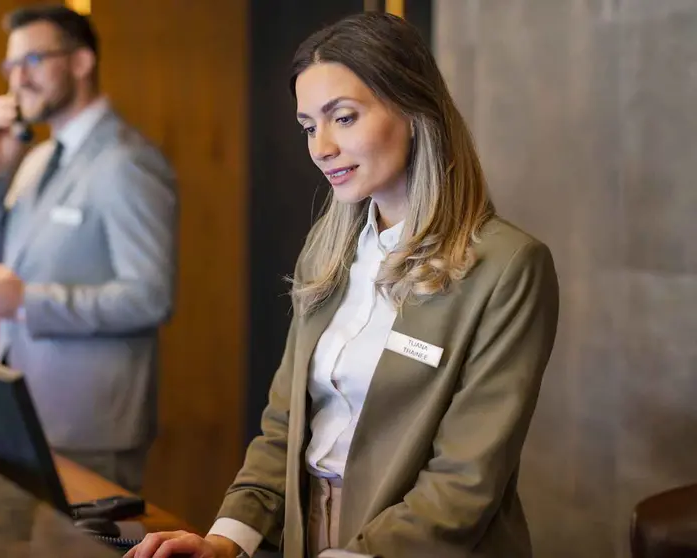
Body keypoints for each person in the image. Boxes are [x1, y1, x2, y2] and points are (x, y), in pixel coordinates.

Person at [127, 12, 558, 558]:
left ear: (414, 108)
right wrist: (225, 539)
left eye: (344, 118)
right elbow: (285, 425)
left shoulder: (509, 266)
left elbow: (465, 480)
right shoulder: (327, 250)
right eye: (309, 126)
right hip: (309, 531)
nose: (321, 147)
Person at [0, 5, 178, 493]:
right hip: (22, 412)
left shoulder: (127, 162)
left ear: (82, 62)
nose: (17, 79)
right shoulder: (35, 157)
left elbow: (150, 297)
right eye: (10, 66)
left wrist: (28, 302)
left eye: (33, 60)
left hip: (89, 429)